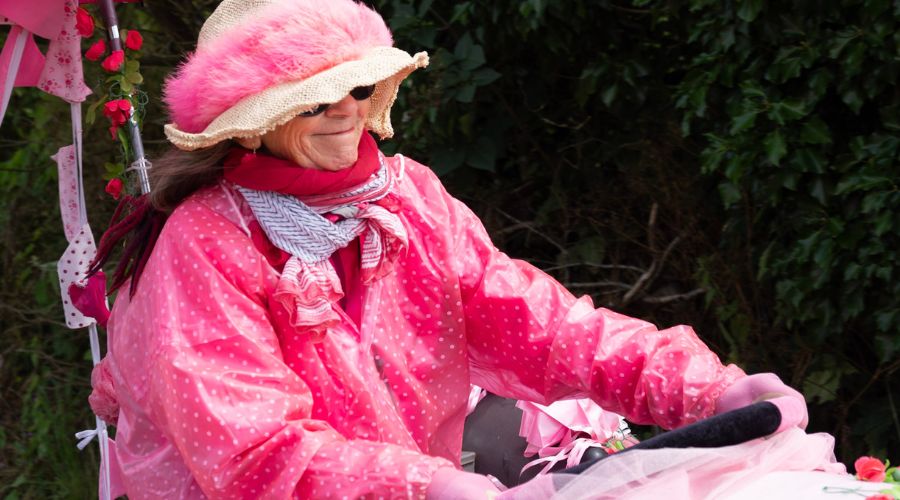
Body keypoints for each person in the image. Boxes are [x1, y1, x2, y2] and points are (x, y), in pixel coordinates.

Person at [87, 0, 808, 498]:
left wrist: (708, 390)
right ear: (250, 127)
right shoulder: (204, 244)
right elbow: (248, 456)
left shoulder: (410, 199)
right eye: (312, 102)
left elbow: (545, 328)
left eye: (356, 88)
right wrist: (428, 484)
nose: (344, 112)